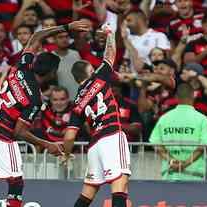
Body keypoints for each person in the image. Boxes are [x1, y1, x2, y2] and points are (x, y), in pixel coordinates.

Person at [0, 20, 90, 207]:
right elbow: (19, 132)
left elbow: (36, 36)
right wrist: (46, 144)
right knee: (16, 182)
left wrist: (66, 27)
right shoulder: (34, 98)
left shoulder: (21, 66)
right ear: (51, 73)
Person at [61, 25, 130, 207]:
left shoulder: (76, 101)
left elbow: (69, 136)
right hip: (112, 135)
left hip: (95, 145)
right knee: (120, 184)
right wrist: (110, 34)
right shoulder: (99, 77)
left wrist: (66, 154)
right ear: (90, 71)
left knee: (88, 192)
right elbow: (110, 54)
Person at [149, 83, 207, 180]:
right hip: (194, 176)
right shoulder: (201, 119)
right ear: (193, 95)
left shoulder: (164, 118)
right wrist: (184, 164)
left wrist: (171, 161)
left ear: (176, 97)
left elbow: (156, 144)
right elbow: (204, 146)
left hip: (170, 175)